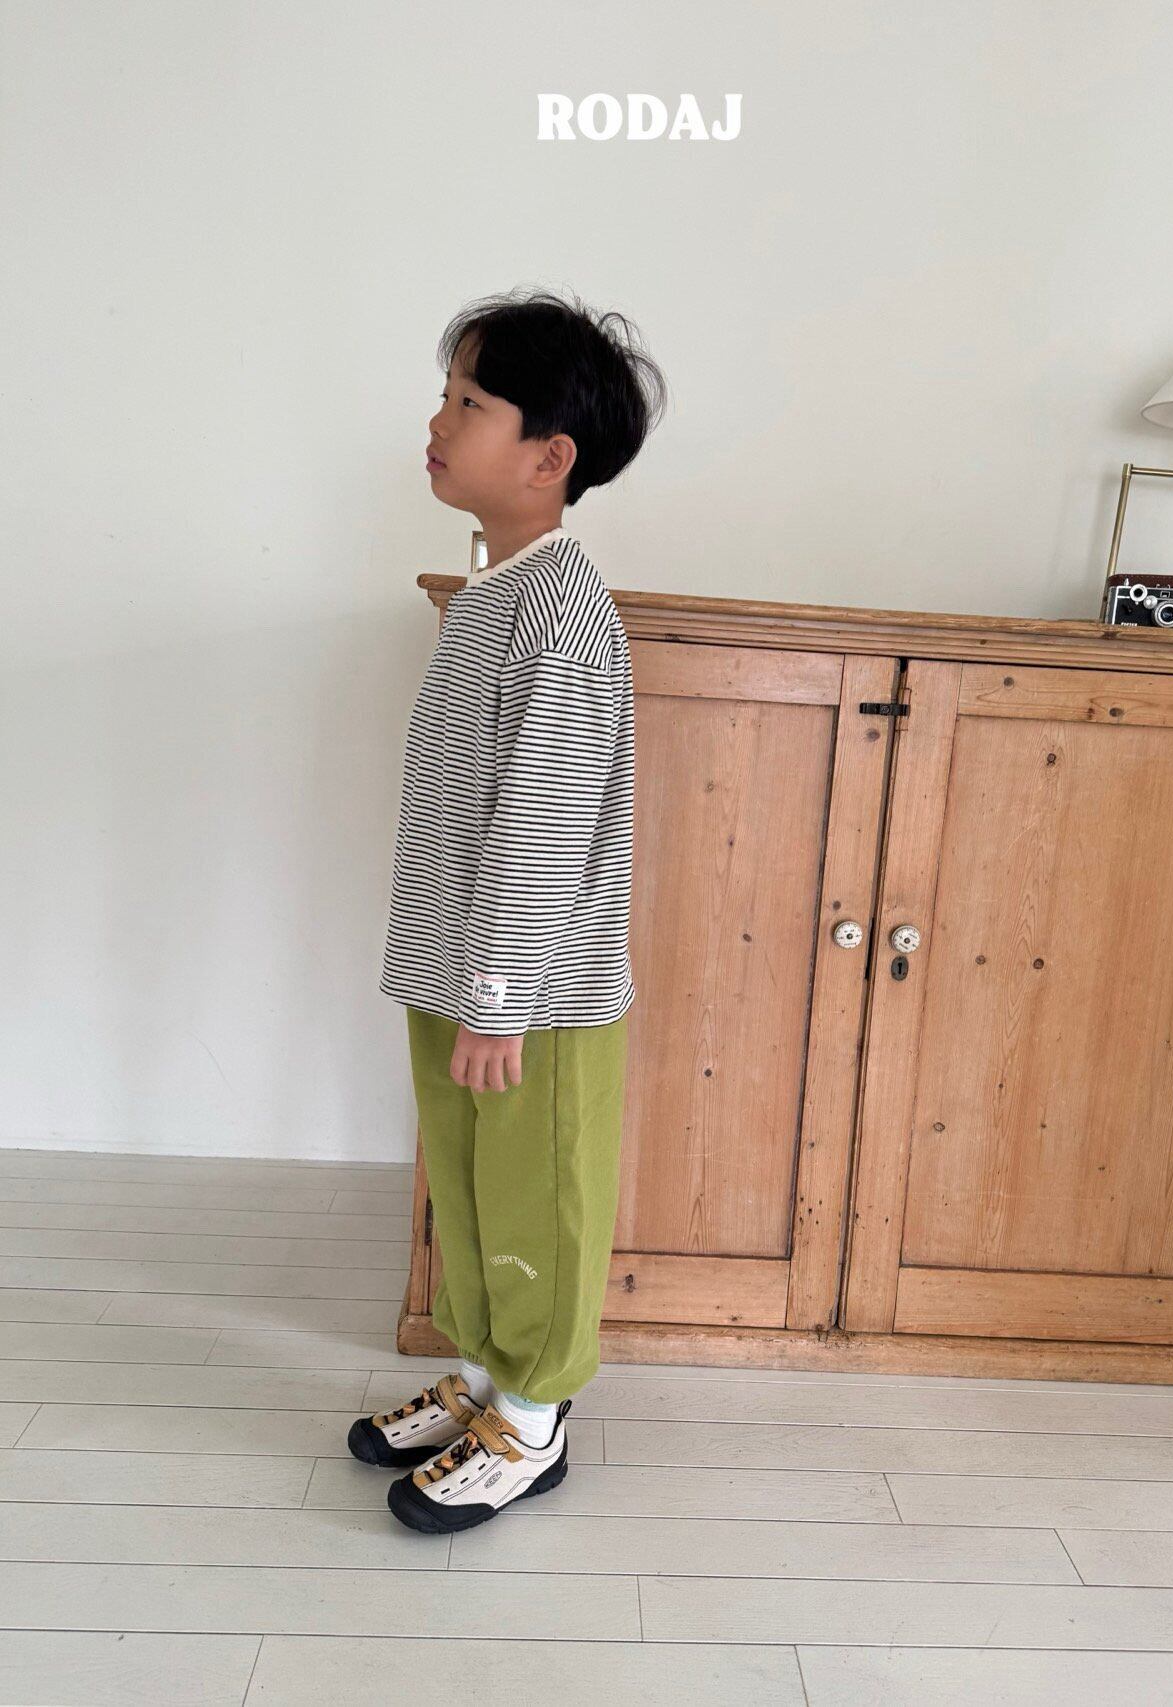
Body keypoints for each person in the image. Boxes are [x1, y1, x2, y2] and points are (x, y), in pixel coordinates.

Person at [347, 287, 667, 1535]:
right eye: (444, 396)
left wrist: (498, 1000)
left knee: (538, 1196)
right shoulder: (489, 594)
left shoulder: (560, 612)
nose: (438, 421)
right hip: (458, 974)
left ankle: (531, 1421)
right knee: (472, 1192)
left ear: (548, 457)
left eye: (469, 402)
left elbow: (540, 826)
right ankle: (487, 1376)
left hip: (528, 997)